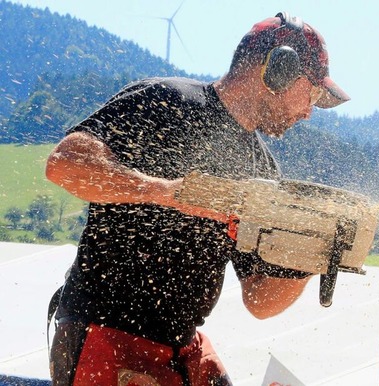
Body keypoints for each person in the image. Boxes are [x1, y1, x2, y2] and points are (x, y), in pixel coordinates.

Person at [45, 11, 349, 386]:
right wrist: (166, 192)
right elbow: (64, 163)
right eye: (313, 92)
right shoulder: (166, 102)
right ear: (278, 70)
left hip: (182, 345)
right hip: (108, 331)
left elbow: (260, 300)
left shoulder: (263, 171)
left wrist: (310, 255)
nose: (309, 111)